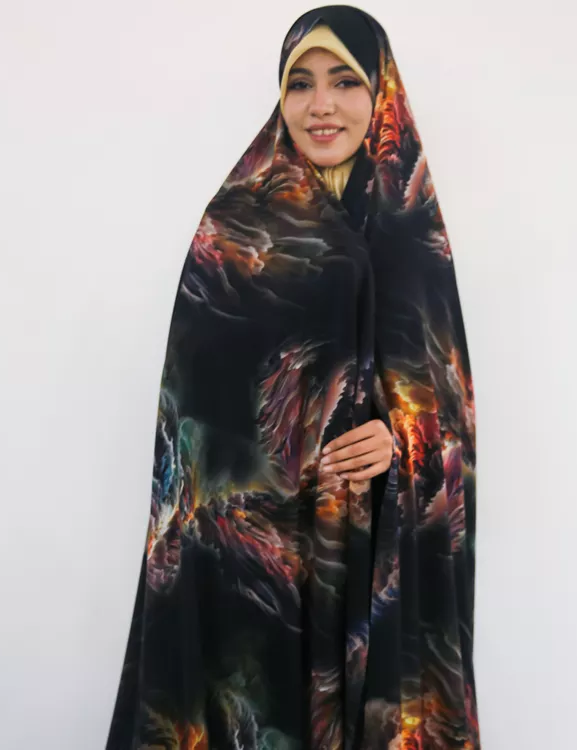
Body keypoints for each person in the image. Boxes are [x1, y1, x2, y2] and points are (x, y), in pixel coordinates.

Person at [106, 6, 479, 749]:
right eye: (300, 83)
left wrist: (400, 440)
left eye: (345, 81)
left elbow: (446, 403)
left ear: (381, 91)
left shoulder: (411, 227)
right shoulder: (235, 223)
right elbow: (195, 404)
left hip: (365, 542)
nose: (321, 105)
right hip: (252, 556)